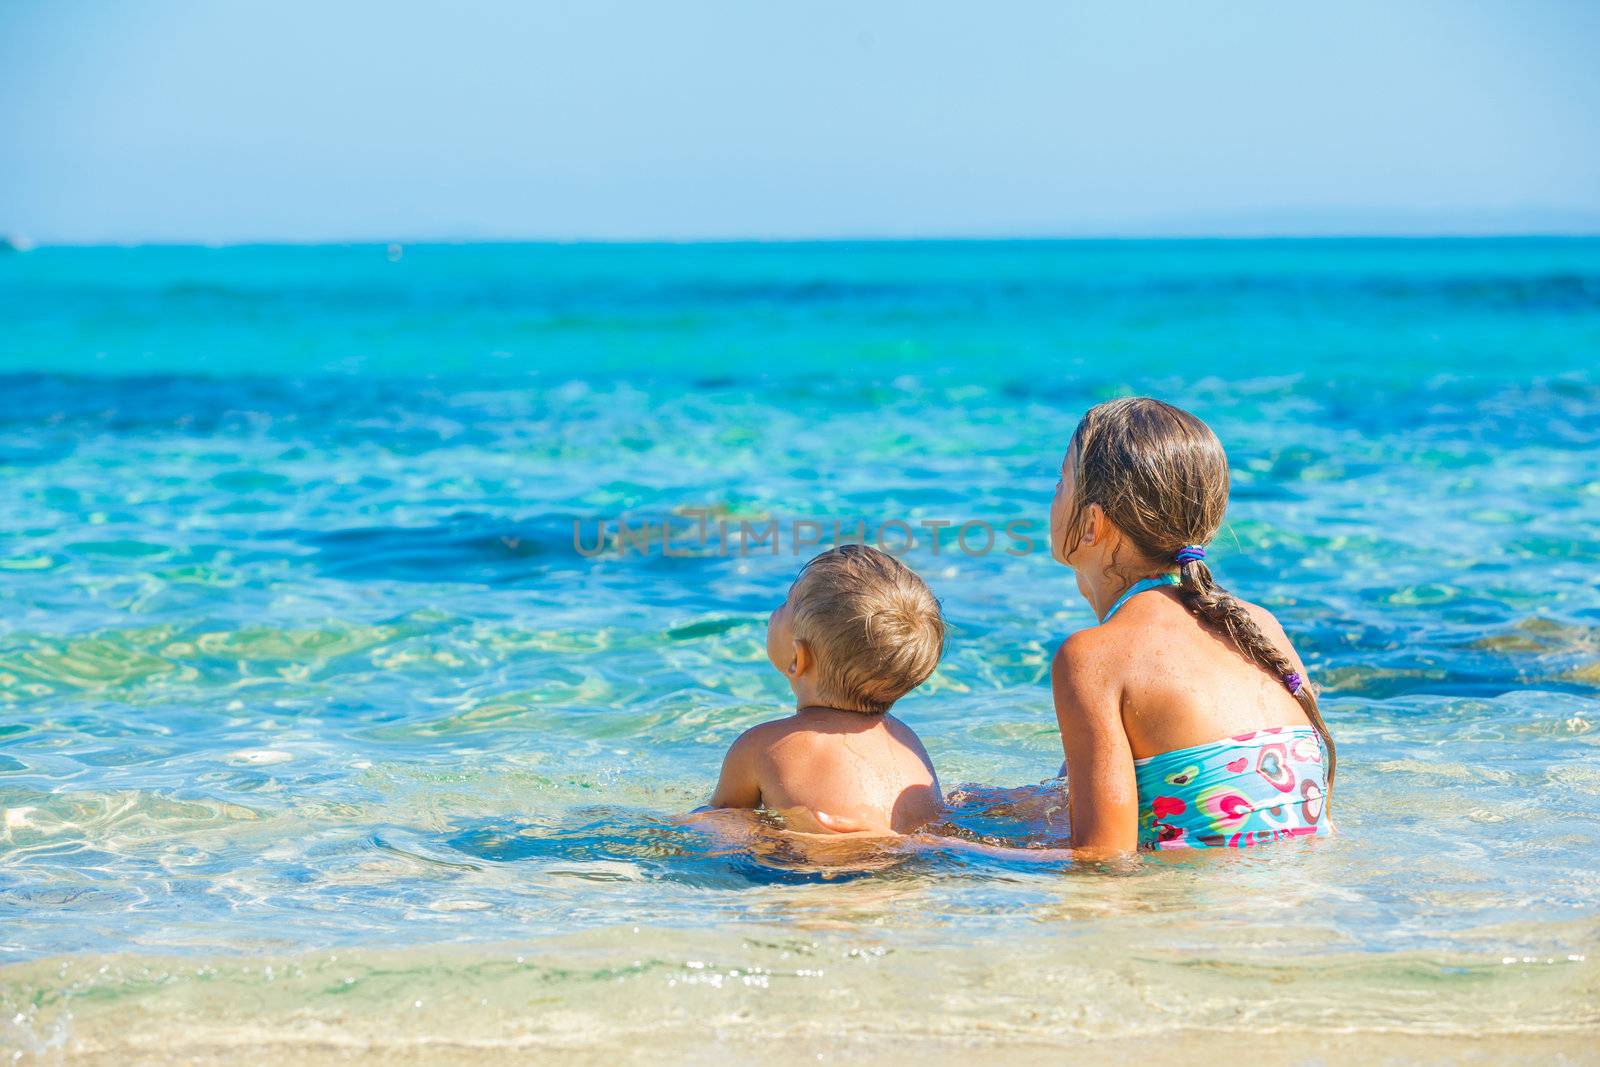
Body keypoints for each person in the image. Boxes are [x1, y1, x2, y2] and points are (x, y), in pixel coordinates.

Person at [1050, 397, 1335, 853]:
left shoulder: (1092, 657)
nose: (1053, 494)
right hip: (1300, 905)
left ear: (1090, 525)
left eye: (1060, 482)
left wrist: (934, 851)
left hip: (1201, 917)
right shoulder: (1260, 626)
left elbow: (1102, 864)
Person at [709, 544, 946, 834]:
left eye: (787, 603)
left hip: (821, 875)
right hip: (910, 869)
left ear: (798, 659)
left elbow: (719, 826)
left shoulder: (760, 745)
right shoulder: (906, 740)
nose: (775, 612)